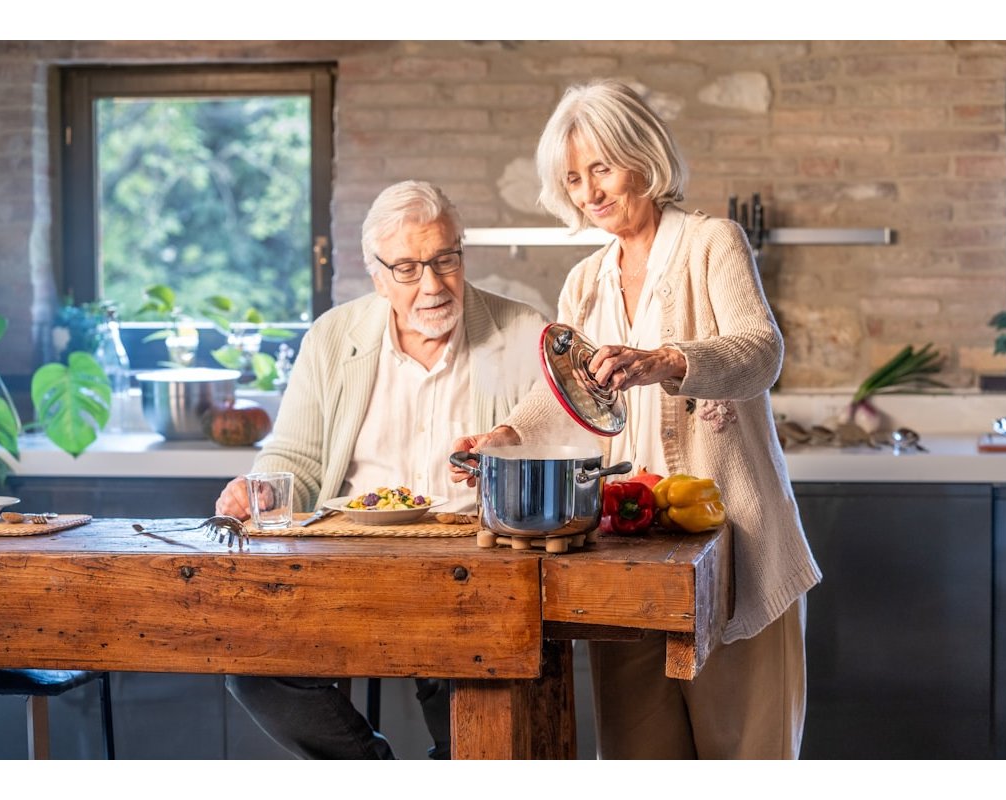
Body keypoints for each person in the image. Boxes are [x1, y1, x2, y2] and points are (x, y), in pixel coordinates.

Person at [450, 80, 822, 759]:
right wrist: (506, 437)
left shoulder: (713, 242)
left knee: (747, 760)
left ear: (642, 157)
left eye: (600, 167)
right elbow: (567, 402)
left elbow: (760, 352)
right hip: (627, 559)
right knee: (636, 759)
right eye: (572, 178)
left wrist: (664, 360)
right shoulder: (585, 281)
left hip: (731, 551)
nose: (588, 191)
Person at [216, 179, 547, 759]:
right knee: (255, 668)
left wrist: (509, 453)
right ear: (376, 275)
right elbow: (294, 455)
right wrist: (259, 488)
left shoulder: (522, 332)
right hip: (345, 568)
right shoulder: (332, 337)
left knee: (474, 699)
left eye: (445, 259)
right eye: (408, 268)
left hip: (470, 570)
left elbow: (557, 442)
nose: (433, 284)